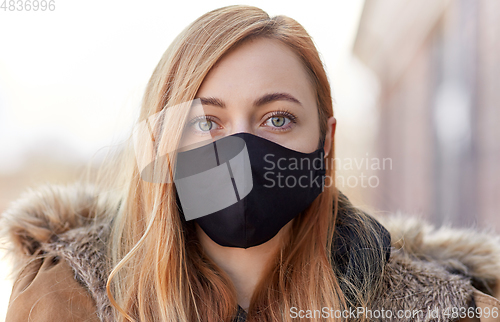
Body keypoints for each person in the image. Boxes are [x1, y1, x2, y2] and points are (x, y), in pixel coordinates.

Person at [1, 5, 499, 322]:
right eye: (206, 122)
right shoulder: (63, 299)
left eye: (278, 119)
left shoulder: (447, 310)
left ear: (325, 143)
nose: (240, 148)